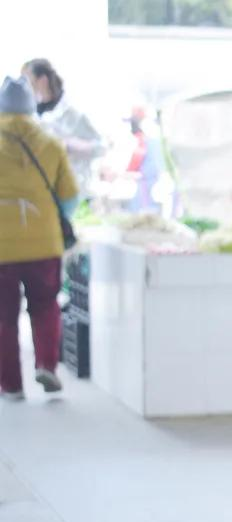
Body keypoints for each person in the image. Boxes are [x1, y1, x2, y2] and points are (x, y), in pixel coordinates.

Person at [0, 77, 78, 400]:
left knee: (3, 316)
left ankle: (11, 385)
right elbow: (69, 198)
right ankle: (46, 364)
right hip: (43, 244)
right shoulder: (50, 144)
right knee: (45, 306)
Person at [22, 58, 104, 200]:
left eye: (29, 81)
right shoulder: (30, 113)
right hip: (41, 190)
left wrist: (75, 145)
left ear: (42, 80)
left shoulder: (75, 112)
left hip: (75, 188)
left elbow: (101, 147)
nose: (25, 86)